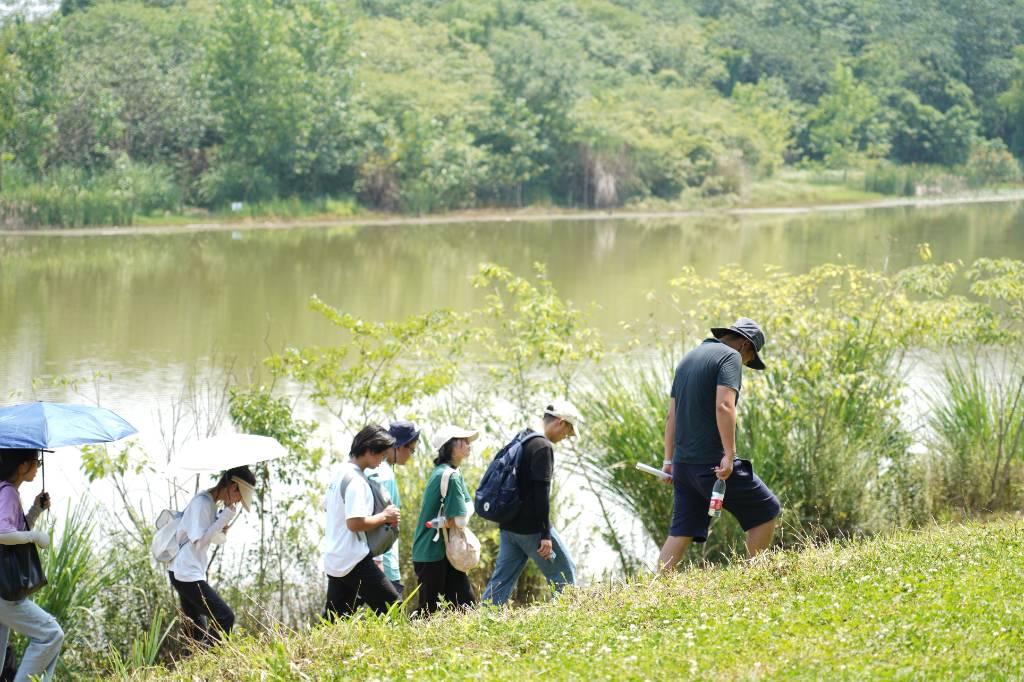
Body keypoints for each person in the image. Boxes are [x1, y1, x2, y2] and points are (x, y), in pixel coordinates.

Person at [657, 318, 782, 572]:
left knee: (681, 530)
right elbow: (724, 406)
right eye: (750, 359)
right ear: (745, 345)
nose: (745, 364)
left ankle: (655, 586)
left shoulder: (688, 359)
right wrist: (729, 455)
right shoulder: (730, 358)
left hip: (683, 465)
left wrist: (668, 461)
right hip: (711, 464)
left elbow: (672, 416)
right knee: (767, 510)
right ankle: (753, 575)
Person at [482, 401, 580, 605]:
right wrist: (545, 534)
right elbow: (541, 493)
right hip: (531, 530)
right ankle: (568, 622)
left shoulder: (523, 436)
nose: (565, 438)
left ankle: (485, 619)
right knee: (565, 574)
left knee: (501, 580)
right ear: (560, 423)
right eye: (568, 432)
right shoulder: (543, 446)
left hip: (509, 526)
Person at [169, 465, 256, 647]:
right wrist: (224, 518)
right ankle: (211, 661)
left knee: (196, 632)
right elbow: (200, 543)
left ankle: (198, 668)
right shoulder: (202, 503)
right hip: (186, 572)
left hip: (185, 571)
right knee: (225, 616)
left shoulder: (209, 503)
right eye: (240, 497)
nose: (239, 502)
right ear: (233, 487)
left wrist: (221, 523)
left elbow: (210, 537)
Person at [322, 425, 401, 618]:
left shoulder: (339, 472)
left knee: (336, 618)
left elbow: (326, 505)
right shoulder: (357, 481)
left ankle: (322, 648)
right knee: (391, 605)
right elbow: (354, 523)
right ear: (369, 450)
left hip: (335, 557)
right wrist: (385, 516)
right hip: (353, 558)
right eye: (381, 455)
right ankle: (394, 646)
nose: (382, 460)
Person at [0, 449, 62, 682]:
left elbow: (13, 531)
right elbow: (3, 533)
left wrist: (36, 510)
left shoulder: (4, 490)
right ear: (22, 465)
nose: (38, 468)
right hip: (4, 589)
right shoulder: (7, 493)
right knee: (50, 634)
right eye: (37, 462)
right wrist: (35, 536)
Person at [411, 425, 478, 614]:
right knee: (429, 611)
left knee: (465, 604)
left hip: (440, 551)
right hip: (433, 553)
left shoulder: (444, 471)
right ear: (450, 447)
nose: (468, 444)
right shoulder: (451, 476)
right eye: (463, 441)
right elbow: (461, 520)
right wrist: (458, 516)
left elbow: (462, 514)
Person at [367, 420, 420, 597]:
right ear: (399, 446)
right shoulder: (384, 474)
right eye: (412, 450)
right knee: (391, 616)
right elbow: (377, 515)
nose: (411, 455)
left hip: (378, 558)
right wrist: (378, 559)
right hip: (384, 562)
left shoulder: (380, 469)